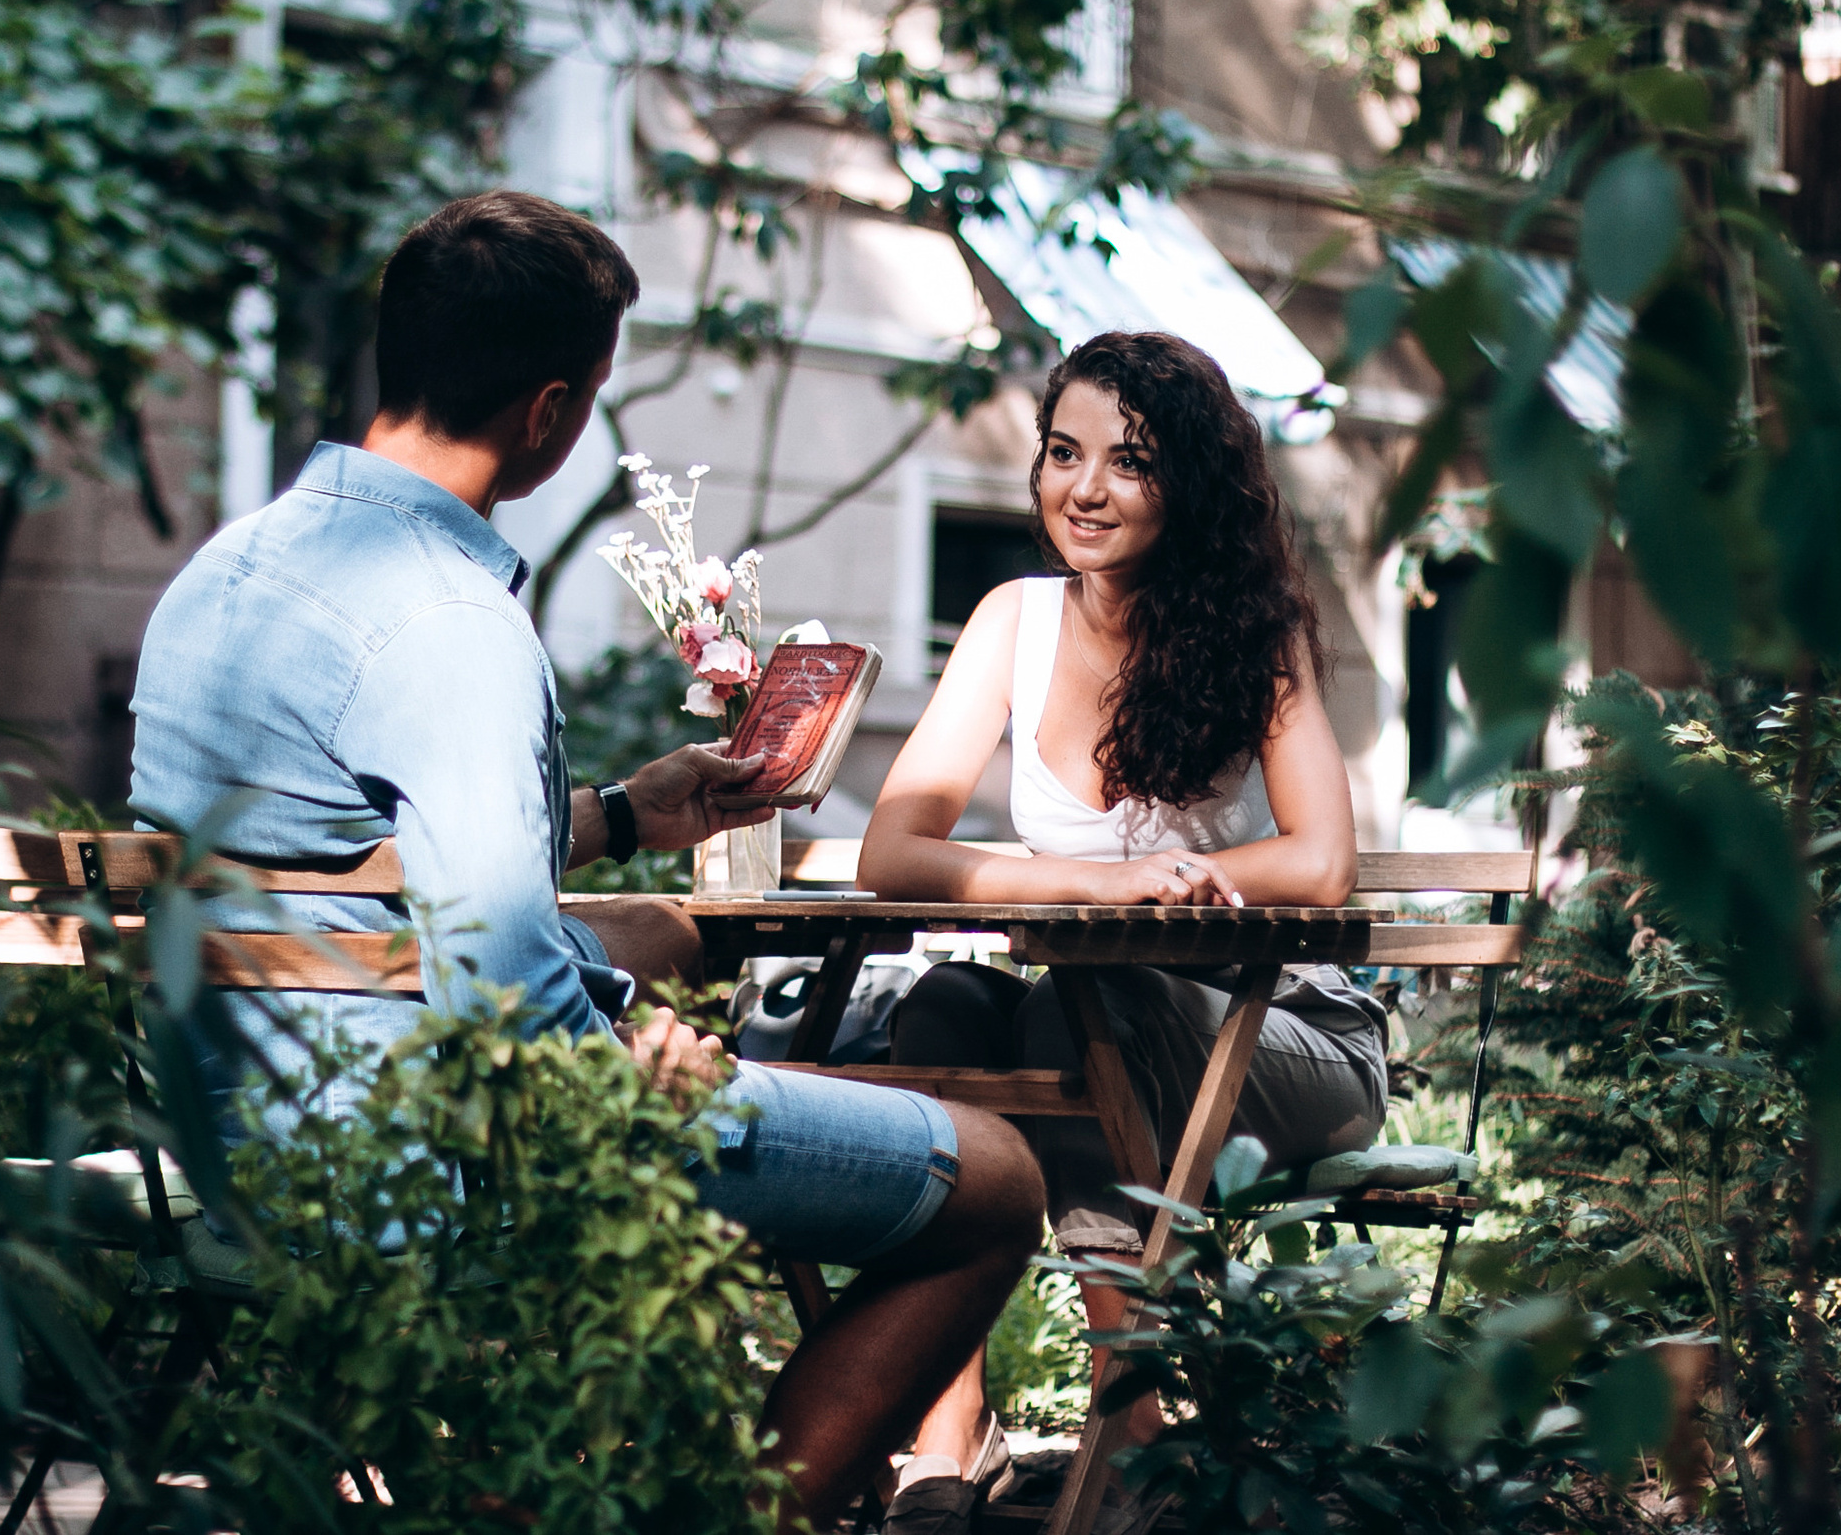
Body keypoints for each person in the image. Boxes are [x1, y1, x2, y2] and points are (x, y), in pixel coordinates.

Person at [128, 190, 1043, 1528]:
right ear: (552, 411)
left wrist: (620, 813)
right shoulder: (449, 620)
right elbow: (503, 988)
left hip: (234, 1118)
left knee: (656, 942)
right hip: (423, 1147)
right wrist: (635, 1055)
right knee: (998, 1174)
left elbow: (348, 850)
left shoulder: (226, 571)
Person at [857, 330, 1387, 1533]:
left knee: (1079, 1002)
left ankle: (1129, 1412)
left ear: (1187, 482)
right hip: (1110, 1016)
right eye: (1061, 453)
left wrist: (1173, 879)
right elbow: (896, 850)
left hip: (1290, 1039)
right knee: (940, 1012)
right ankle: (950, 1427)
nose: (1081, 489)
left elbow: (1321, 857)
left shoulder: (1255, 631)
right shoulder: (1012, 620)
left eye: (1127, 461)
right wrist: (1086, 885)